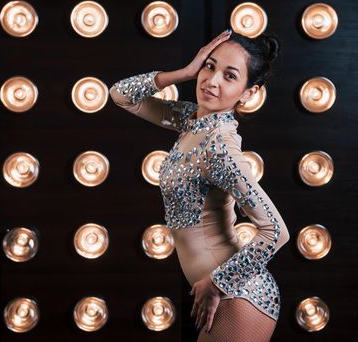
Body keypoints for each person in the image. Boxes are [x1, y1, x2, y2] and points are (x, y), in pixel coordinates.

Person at [109, 29, 290, 342]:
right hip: (222, 293)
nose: (212, 81)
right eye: (210, 66)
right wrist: (184, 72)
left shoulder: (220, 146)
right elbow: (120, 95)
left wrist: (218, 282)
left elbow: (276, 232)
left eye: (229, 76)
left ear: (248, 93)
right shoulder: (192, 120)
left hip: (239, 296)